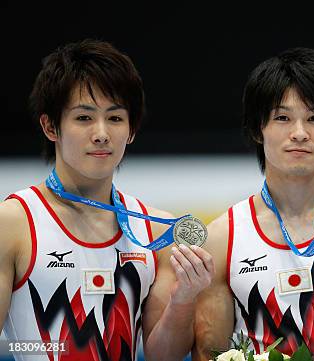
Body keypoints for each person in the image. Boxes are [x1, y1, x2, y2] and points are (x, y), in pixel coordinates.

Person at [0, 39, 214, 361]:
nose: (101, 133)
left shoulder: (154, 232)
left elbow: (161, 356)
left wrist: (184, 298)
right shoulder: (14, 223)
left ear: (131, 130)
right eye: (84, 118)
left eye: (115, 118)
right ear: (50, 126)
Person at [192, 47, 314, 361]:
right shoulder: (223, 238)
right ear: (257, 129)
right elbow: (210, 354)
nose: (299, 133)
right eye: (283, 117)